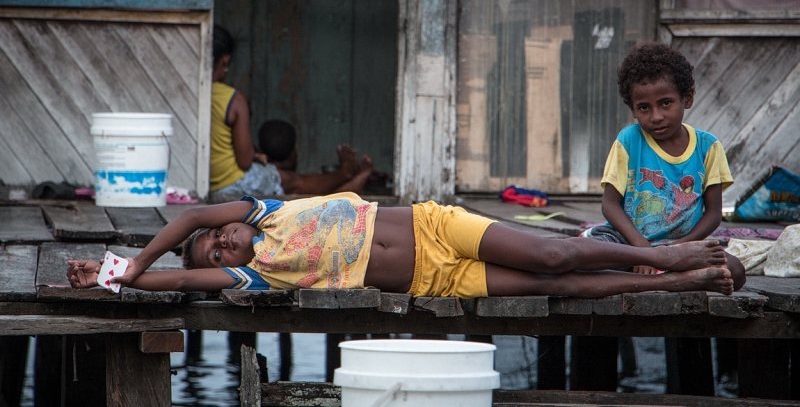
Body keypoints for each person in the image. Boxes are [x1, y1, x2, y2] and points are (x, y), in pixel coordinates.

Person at [66, 193, 736, 298]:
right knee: (554, 290)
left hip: (433, 226)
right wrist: (118, 282)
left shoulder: (262, 210)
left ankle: (672, 253)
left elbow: (182, 225)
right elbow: (182, 282)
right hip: (432, 283)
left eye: (219, 237)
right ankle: (671, 281)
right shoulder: (259, 277)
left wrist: (131, 258)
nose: (221, 244)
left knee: (554, 254)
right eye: (219, 255)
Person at [580, 42, 745, 289]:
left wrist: (679, 250)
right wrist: (645, 252)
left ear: (687, 99)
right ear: (633, 110)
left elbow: (712, 214)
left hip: (682, 246)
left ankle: (663, 276)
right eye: (644, 107)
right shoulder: (629, 140)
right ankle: (673, 279)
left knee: (735, 271)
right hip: (628, 244)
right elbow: (610, 205)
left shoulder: (708, 147)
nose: (656, 116)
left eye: (666, 103)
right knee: (586, 256)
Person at [209, 25, 280, 197]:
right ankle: (346, 180)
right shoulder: (234, 100)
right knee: (279, 176)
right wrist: (252, 155)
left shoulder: (185, 94)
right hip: (229, 183)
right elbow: (244, 162)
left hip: (200, 182)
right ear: (225, 61)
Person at [257, 119, 374, 195]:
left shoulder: (267, 175)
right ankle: (349, 187)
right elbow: (300, 183)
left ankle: (349, 188)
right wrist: (344, 173)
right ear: (294, 152)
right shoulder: (269, 178)